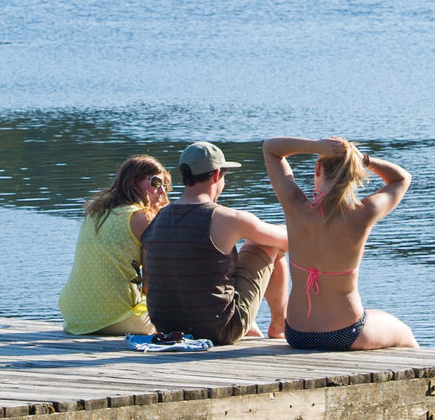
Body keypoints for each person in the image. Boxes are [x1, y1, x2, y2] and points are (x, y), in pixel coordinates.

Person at [263, 135, 418, 351]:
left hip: (296, 334)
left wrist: (314, 146)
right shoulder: (363, 213)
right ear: (353, 174)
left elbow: (271, 148)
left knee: (379, 318)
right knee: (404, 333)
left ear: (317, 169)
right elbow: (402, 179)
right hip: (345, 333)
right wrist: (362, 158)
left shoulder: (295, 206)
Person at [142, 140, 289, 344]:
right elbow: (288, 242)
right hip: (219, 330)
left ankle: (254, 327)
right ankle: (279, 327)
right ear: (216, 175)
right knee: (264, 243)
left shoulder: (159, 217)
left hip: (167, 328)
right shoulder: (226, 218)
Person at [57, 156, 171, 336]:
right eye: (156, 183)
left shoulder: (96, 213)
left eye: (165, 185)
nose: (163, 192)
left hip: (75, 317)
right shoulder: (142, 218)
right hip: (120, 318)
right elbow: (154, 282)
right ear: (134, 183)